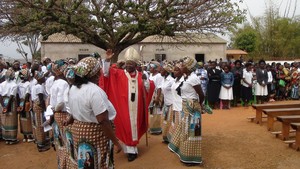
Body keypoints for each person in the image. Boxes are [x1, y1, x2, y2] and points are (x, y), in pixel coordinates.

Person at [65, 56, 122, 168]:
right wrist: (116, 142)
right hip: (95, 133)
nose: (100, 74)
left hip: (78, 130)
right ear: (95, 73)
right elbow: (103, 121)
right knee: (99, 162)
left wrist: (70, 120)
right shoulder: (94, 91)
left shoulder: (73, 88)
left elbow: (74, 110)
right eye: (98, 71)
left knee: (83, 161)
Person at [101, 48, 154, 162]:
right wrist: (107, 60)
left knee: (135, 126)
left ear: (136, 65)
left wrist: (145, 81)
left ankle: (132, 148)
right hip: (123, 107)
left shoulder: (141, 75)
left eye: (131, 64)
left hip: (137, 108)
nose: (128, 66)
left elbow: (148, 89)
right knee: (126, 126)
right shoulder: (119, 73)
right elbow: (106, 73)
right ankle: (130, 151)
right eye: (127, 63)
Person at [168, 56, 205, 165]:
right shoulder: (187, 77)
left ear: (188, 67)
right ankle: (185, 154)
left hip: (192, 108)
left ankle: (191, 158)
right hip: (185, 106)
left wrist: (198, 105)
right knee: (186, 130)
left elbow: (201, 94)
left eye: (183, 65)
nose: (181, 66)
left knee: (192, 131)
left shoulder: (193, 78)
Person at [31, 70, 50, 151]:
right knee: (40, 125)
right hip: (39, 107)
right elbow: (41, 99)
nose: (44, 78)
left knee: (38, 124)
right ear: (39, 79)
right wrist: (45, 110)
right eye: (43, 77)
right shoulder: (39, 87)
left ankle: (40, 141)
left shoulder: (35, 86)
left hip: (35, 106)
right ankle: (41, 145)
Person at [0, 68, 19, 144]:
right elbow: (11, 96)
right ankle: (12, 139)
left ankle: (6, 138)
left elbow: (0, 96)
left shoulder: (1, 84)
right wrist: (7, 106)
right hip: (11, 103)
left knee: (4, 120)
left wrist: (3, 105)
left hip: (3, 102)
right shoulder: (14, 85)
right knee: (12, 120)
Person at [167, 63, 184, 141]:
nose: (174, 72)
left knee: (180, 125)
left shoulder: (183, 81)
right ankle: (175, 141)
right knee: (175, 124)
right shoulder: (174, 81)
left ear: (182, 71)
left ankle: (179, 142)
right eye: (174, 70)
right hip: (175, 106)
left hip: (181, 107)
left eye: (177, 70)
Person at [18, 69, 34, 142]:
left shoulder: (19, 84)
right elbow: (27, 94)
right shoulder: (28, 84)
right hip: (26, 102)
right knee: (28, 118)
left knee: (22, 118)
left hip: (21, 101)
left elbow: (18, 95)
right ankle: (29, 136)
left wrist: (19, 104)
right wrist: (25, 104)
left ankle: (25, 136)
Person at [160, 62, 175, 143]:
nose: (160, 71)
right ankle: (166, 137)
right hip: (166, 103)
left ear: (166, 72)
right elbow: (163, 93)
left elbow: (175, 92)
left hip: (172, 103)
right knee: (165, 120)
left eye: (162, 70)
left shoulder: (171, 81)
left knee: (170, 121)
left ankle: (171, 139)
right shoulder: (164, 80)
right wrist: (162, 102)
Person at [148, 61, 164, 135]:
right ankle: (152, 127)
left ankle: (156, 129)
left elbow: (159, 88)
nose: (150, 68)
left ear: (155, 68)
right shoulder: (151, 75)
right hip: (151, 95)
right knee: (151, 112)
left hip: (156, 95)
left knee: (156, 112)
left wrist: (157, 98)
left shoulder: (159, 76)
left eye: (151, 67)